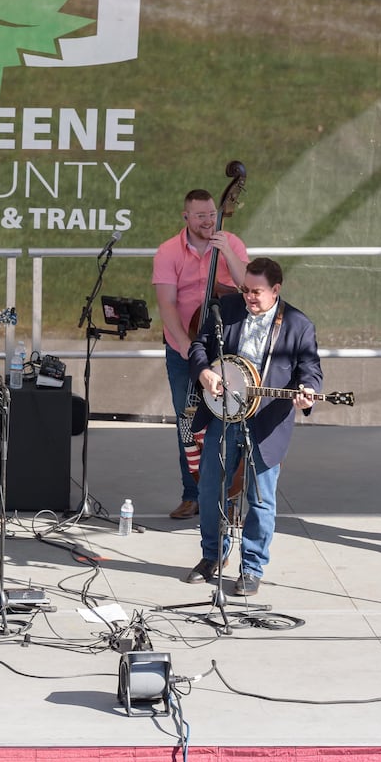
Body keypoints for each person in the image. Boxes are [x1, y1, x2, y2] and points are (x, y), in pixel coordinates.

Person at [184, 258, 320, 597]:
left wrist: (307, 392)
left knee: (259, 498)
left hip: (267, 420)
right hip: (224, 413)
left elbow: (310, 368)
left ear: (276, 290)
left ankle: (252, 568)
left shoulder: (298, 324)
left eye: (256, 292)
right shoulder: (224, 308)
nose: (249, 297)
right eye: (245, 290)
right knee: (211, 487)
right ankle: (212, 556)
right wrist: (205, 373)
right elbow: (198, 346)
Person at [151, 188, 250, 519]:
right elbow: (166, 304)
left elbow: (247, 288)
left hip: (226, 350)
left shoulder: (230, 244)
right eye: (201, 216)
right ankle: (191, 493)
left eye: (211, 214)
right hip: (183, 345)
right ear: (186, 218)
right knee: (186, 420)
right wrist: (185, 348)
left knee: (231, 419)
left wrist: (227, 254)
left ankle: (231, 497)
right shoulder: (168, 251)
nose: (208, 221)